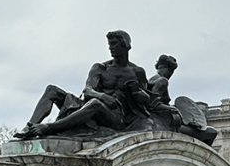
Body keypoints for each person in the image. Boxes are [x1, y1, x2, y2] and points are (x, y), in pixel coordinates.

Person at [16, 30, 151, 139]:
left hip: (116, 118)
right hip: (90, 106)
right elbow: (87, 90)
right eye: (109, 44)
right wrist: (103, 96)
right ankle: (30, 127)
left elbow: (147, 103)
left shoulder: (136, 72)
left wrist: (143, 96)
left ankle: (49, 128)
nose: (110, 47)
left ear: (125, 45)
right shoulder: (100, 67)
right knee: (52, 90)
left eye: (114, 43)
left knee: (95, 104)